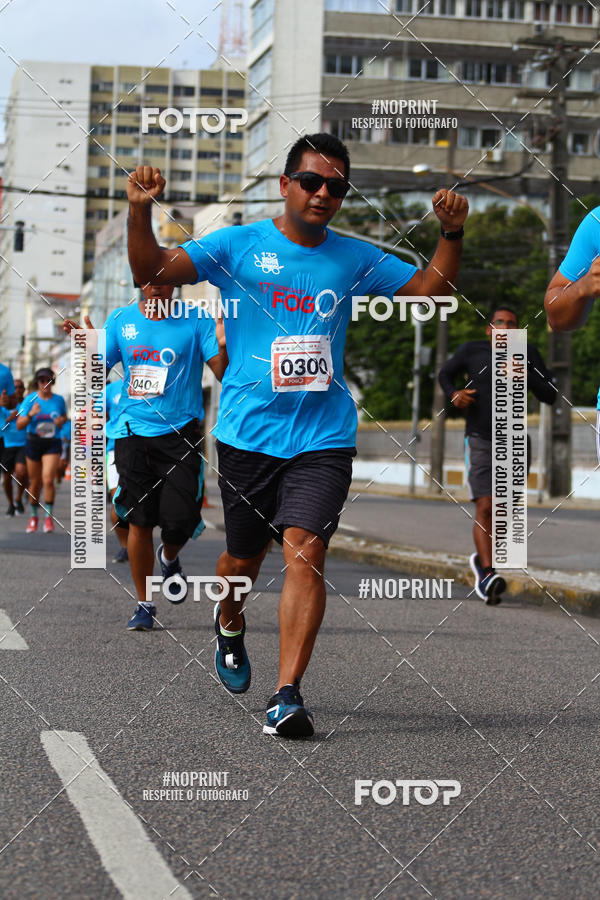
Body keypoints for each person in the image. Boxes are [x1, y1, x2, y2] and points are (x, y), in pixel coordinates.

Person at [126, 132, 469, 738]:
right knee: (244, 558)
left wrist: (451, 235)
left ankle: (287, 695)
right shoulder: (236, 245)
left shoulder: (353, 256)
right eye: (311, 181)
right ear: (285, 185)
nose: (323, 194)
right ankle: (229, 620)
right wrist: (138, 210)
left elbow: (430, 291)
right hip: (247, 436)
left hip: (324, 437)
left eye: (336, 186)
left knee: (306, 550)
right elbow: (152, 268)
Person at [64, 284, 227, 630]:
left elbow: (222, 371)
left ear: (174, 283)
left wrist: (226, 343)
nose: (155, 284)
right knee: (138, 520)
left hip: (181, 432)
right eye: (148, 277)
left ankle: (168, 558)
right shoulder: (121, 319)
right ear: (140, 282)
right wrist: (89, 351)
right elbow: (96, 377)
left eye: (163, 276)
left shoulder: (196, 319)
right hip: (130, 432)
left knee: (180, 520)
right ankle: (145, 603)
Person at [439, 306, 556, 604]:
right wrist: (454, 394)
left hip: (515, 440)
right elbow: (444, 374)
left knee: (505, 511)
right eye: (499, 323)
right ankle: (489, 573)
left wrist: (525, 374)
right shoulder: (472, 351)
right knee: (486, 506)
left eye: (512, 324)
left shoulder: (528, 353)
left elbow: (550, 394)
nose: (505, 327)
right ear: (489, 329)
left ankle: (481, 560)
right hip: (479, 438)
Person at [16, 367, 68, 533]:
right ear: (37, 382)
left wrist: (61, 420)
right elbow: (18, 425)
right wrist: (31, 414)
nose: (45, 383)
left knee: (47, 480)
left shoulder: (59, 400)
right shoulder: (30, 400)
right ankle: (33, 517)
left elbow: (64, 417)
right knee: (36, 482)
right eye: (42, 380)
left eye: (49, 380)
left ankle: (48, 518)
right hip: (34, 442)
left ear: (53, 382)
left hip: (52, 442)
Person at [105, 377, 129, 563]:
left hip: (147, 448)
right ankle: (125, 546)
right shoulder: (110, 390)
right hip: (114, 449)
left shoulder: (155, 376)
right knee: (118, 500)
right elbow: (94, 419)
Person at [0, 378, 27, 515]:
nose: (17, 389)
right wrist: (8, 419)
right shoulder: (3, 406)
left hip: (24, 444)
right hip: (7, 445)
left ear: (23, 389)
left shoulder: (27, 404)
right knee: (7, 479)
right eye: (15, 387)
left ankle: (18, 499)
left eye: (20, 387)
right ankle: (11, 504)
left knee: (21, 473)